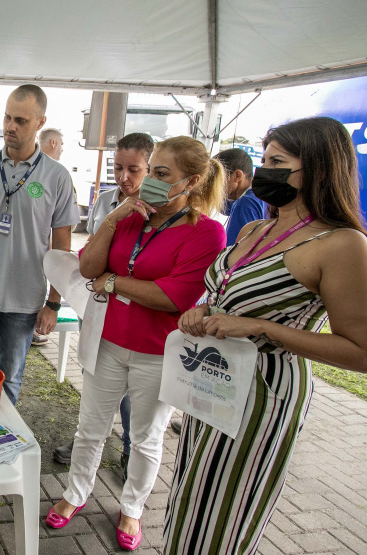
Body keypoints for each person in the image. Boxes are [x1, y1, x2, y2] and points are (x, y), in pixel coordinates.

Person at [165, 116, 367, 554]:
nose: (264, 171)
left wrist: (263, 328)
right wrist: (205, 307)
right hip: (212, 383)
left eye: (278, 161)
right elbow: (226, 292)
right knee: (188, 506)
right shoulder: (255, 229)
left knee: (218, 520)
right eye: (264, 160)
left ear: (317, 167)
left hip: (260, 397)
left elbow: (362, 353)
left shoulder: (342, 244)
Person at [46, 136, 226, 552]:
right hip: (107, 342)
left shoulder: (207, 233)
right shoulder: (130, 217)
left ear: (192, 181)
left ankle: (133, 507)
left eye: (160, 174)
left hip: (158, 352)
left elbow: (173, 297)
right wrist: (115, 218)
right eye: (153, 172)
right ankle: (76, 493)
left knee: (145, 437)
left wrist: (114, 282)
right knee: (90, 428)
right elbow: (88, 268)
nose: (145, 181)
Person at [0, 84, 80, 405]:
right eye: (8, 117)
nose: (10, 126)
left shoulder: (57, 177)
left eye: (20, 120)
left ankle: (0, 439)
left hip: (24, 297)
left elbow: (61, 244)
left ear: (39, 122)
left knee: (10, 376)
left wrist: (54, 302)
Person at [52, 132, 154, 469]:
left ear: (151, 168)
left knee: (133, 395)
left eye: (134, 170)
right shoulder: (106, 200)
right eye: (118, 167)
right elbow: (91, 254)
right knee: (95, 379)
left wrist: (110, 278)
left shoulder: (162, 211)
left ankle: (128, 447)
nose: (124, 177)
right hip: (97, 308)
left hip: (137, 320)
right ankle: (87, 438)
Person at [32, 127, 67, 346]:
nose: (62, 150)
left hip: (34, 278)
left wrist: (53, 302)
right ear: (53, 143)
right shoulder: (46, 173)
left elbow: (61, 237)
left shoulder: (58, 175)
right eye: (62, 145)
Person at [216, 147, 266, 246]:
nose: (215, 185)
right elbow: (226, 208)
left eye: (218, 179)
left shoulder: (244, 204)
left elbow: (234, 249)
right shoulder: (259, 196)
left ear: (237, 176)